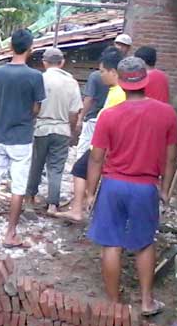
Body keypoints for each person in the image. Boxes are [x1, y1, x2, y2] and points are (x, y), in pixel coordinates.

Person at [85, 57, 177, 317]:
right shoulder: (167, 113)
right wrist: (165, 188)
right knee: (145, 243)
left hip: (113, 185)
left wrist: (91, 192)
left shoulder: (109, 116)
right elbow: (171, 156)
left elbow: (96, 157)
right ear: (146, 81)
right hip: (145, 186)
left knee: (111, 244)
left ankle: (115, 304)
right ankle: (147, 302)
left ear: (121, 83)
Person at [0, 29, 45, 248]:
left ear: (10, 47)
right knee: (18, 187)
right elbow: (36, 107)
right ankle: (10, 234)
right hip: (22, 138)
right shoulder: (36, 77)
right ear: (30, 48)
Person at [56, 47, 124, 223]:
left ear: (113, 71)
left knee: (80, 169)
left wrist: (81, 118)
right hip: (109, 142)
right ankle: (86, 204)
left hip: (104, 143)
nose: (100, 75)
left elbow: (110, 120)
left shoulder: (118, 93)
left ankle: (81, 207)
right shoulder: (117, 90)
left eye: (103, 71)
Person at [25, 47, 82, 214]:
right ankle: (52, 205)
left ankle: (29, 199)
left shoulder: (40, 79)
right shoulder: (72, 83)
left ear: (44, 63)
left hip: (42, 128)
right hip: (62, 129)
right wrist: (71, 131)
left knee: (36, 164)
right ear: (62, 62)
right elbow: (74, 113)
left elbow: (33, 106)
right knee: (56, 168)